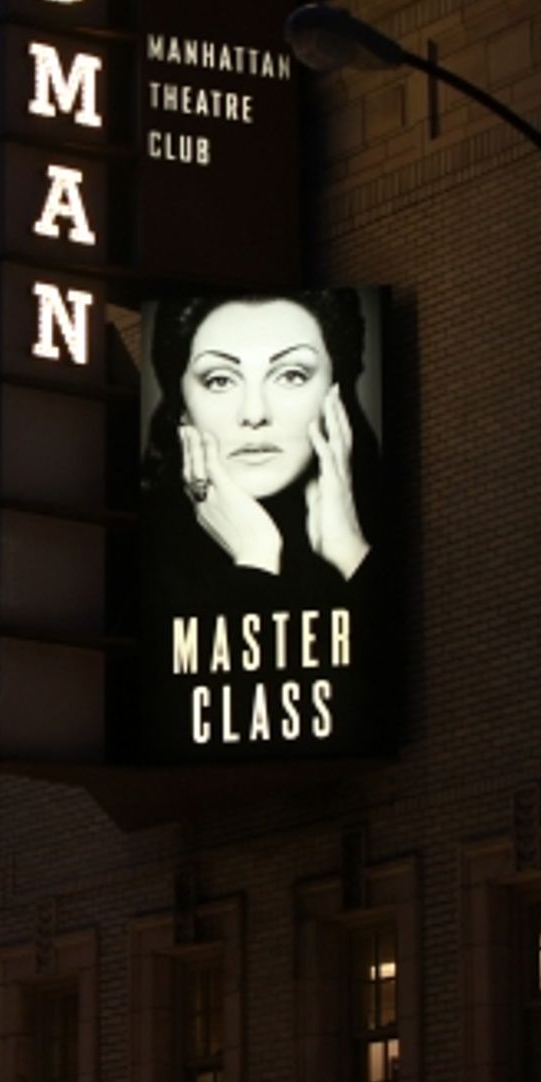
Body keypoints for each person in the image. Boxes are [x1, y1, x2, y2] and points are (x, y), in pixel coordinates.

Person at [139, 289, 382, 758]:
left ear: (337, 391)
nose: (255, 414)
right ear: (180, 405)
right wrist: (255, 555)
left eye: (291, 375)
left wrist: (350, 550)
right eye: (219, 380)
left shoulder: (391, 532)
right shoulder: (137, 567)